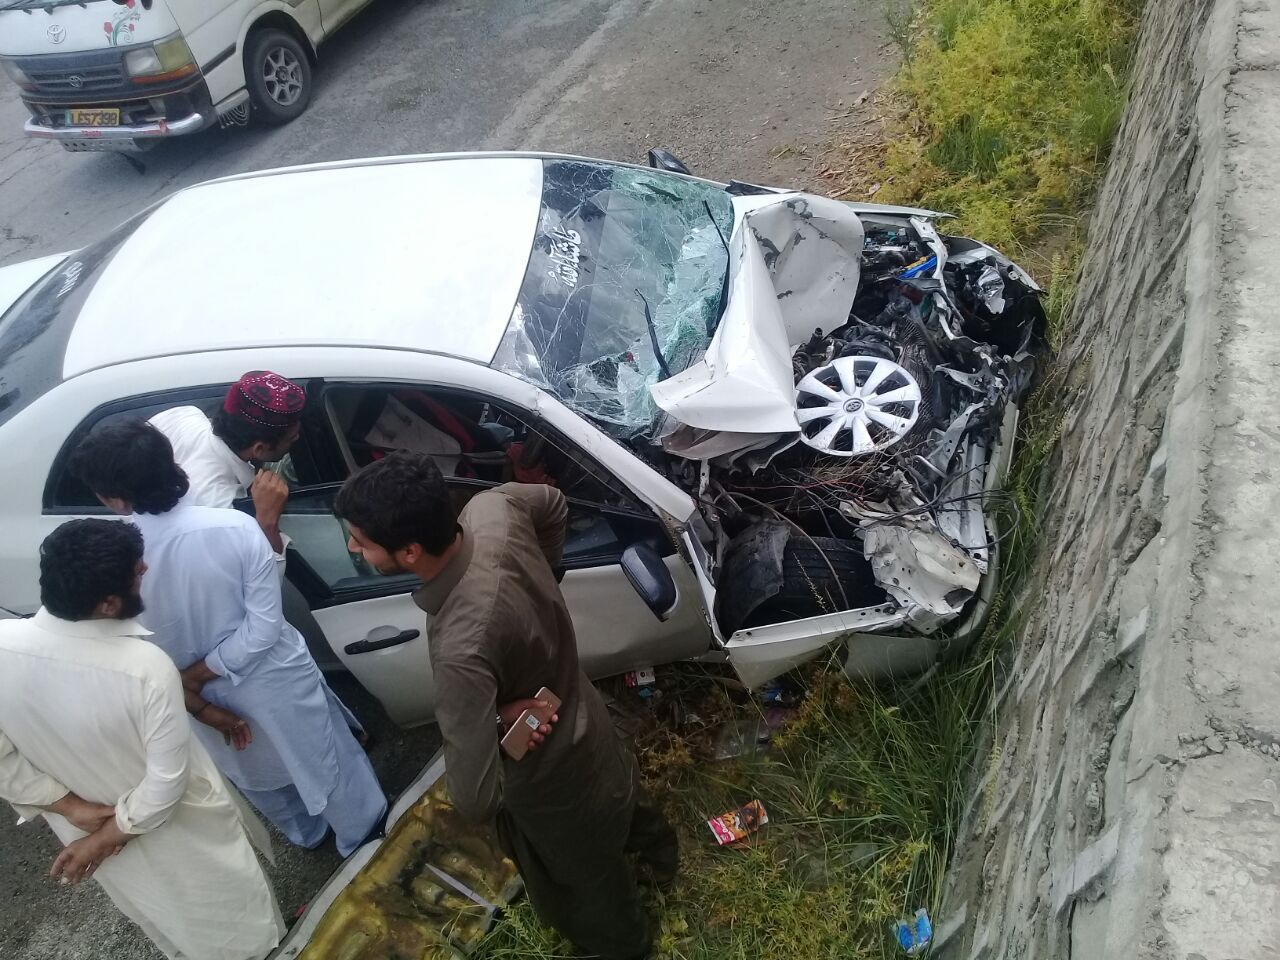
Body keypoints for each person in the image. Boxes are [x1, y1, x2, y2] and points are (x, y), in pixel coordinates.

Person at [335, 451, 677, 960]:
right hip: (591, 721)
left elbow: (474, 797)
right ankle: (663, 860)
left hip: (553, 786)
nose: (352, 547)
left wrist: (496, 715)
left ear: (409, 551)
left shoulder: (460, 646)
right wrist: (545, 573)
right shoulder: (491, 511)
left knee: (583, 886)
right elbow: (555, 505)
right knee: (625, 799)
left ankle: (626, 946)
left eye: (360, 540)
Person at [68, 420, 387, 857]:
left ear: (113, 498)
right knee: (321, 760)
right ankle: (363, 838)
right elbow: (263, 629)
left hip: (195, 699)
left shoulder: (114, 559)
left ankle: (307, 835)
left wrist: (189, 686)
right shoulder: (235, 529)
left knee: (253, 770)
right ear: (171, 463)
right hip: (271, 680)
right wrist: (200, 674)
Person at [0, 519, 284, 960]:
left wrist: (67, 806)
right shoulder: (143, 667)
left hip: (94, 833)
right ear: (110, 603)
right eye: (137, 570)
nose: (146, 569)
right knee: (236, 918)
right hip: (175, 827)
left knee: (166, 917)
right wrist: (103, 836)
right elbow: (166, 783)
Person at [149, 371, 302, 556]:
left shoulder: (184, 415)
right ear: (259, 449)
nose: (298, 438)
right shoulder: (220, 510)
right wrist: (267, 524)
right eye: (292, 439)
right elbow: (262, 578)